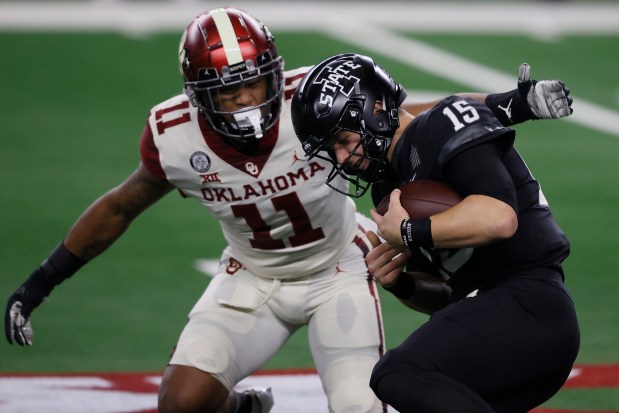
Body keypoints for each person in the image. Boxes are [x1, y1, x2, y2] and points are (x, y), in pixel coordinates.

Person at [4, 7, 574, 413]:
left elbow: (406, 113)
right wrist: (40, 282)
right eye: (230, 93)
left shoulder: (315, 103)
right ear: (199, 94)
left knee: (365, 401)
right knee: (180, 402)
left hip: (339, 269)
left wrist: (511, 103)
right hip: (252, 272)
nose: (250, 103)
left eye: (255, 85)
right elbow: (119, 206)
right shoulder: (175, 134)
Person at [291, 53, 579, 412]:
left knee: (397, 372)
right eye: (333, 150)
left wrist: (409, 232)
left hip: (531, 304)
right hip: (496, 313)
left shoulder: (443, 123)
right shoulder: (388, 188)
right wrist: (401, 284)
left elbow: (499, 218)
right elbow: (445, 298)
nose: (345, 158)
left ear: (376, 107)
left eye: (345, 139)